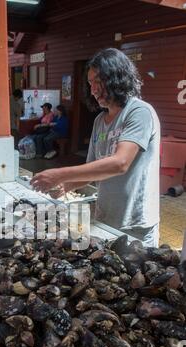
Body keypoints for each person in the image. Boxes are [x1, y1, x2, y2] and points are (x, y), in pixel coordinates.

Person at [31, 48, 160, 247]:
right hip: (106, 219)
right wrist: (66, 187)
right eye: (90, 83)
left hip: (136, 226)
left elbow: (120, 163)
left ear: (116, 78)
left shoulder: (139, 112)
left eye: (98, 81)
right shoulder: (100, 120)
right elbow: (93, 169)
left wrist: (60, 174)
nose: (93, 90)